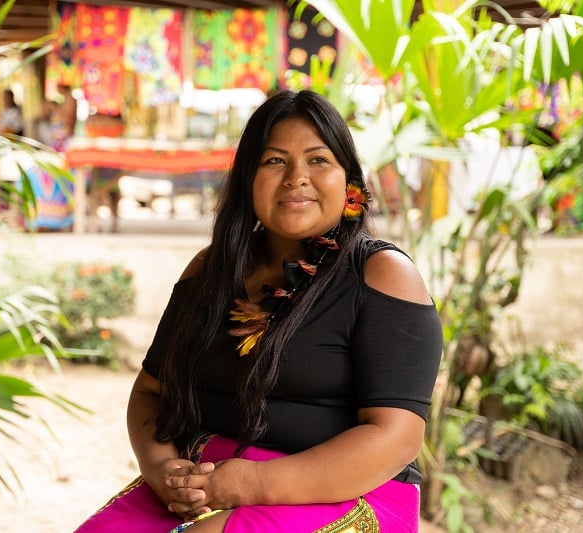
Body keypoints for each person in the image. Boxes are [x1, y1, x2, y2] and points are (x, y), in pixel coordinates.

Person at [74, 90, 443, 532]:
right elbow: (152, 392)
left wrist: (252, 483)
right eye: (273, 161)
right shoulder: (212, 271)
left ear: (349, 183)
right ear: (247, 179)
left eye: (318, 160)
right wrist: (161, 471)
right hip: (208, 479)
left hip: (351, 489)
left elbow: (396, 438)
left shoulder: (382, 274)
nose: (296, 178)